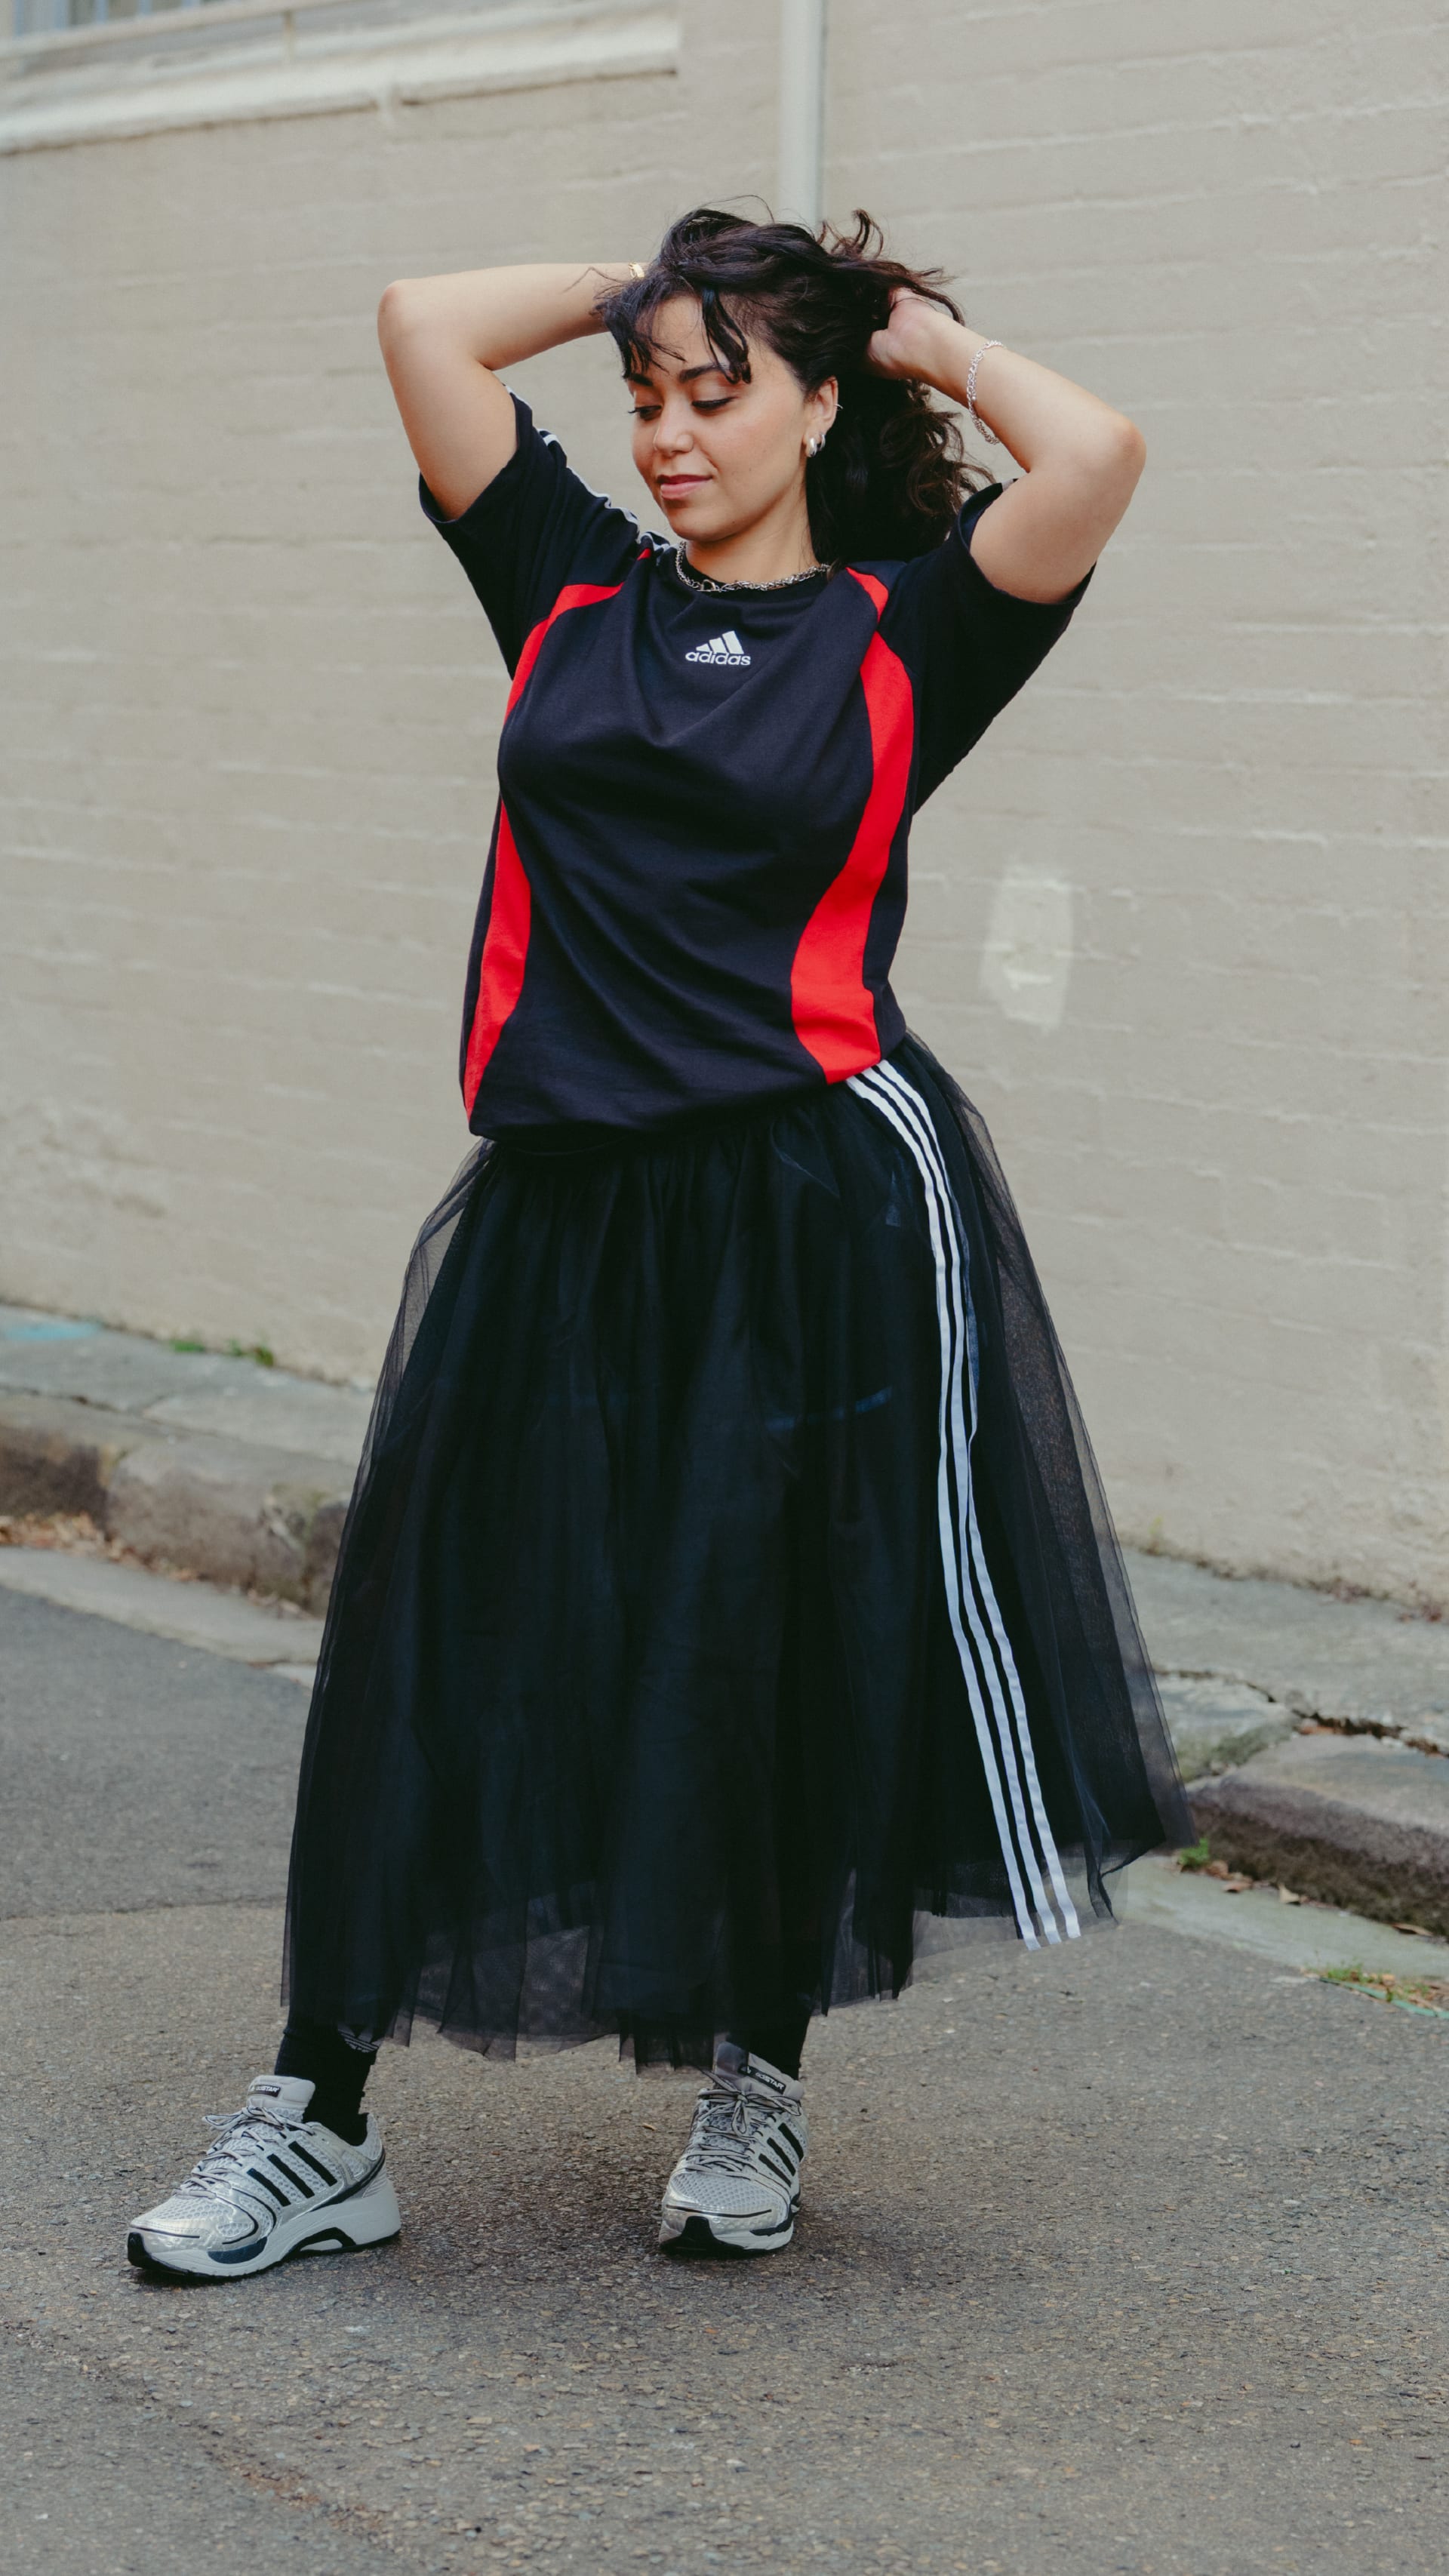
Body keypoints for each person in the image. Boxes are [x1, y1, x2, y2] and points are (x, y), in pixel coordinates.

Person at [129, 208, 1189, 2278]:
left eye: (720, 391)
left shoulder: (908, 632)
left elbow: (1099, 455)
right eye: (646, 395)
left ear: (815, 406)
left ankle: (756, 2072)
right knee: (443, 1639)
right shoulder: (564, 582)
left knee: (765, 1639)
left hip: (810, 1205)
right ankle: (318, 2119)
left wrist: (901, 333)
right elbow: (422, 324)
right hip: (561, 1199)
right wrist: (658, 279)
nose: (671, 430)